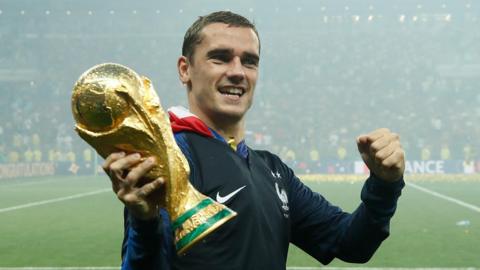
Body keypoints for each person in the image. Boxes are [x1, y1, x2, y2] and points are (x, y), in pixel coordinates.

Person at [102, 11, 405, 270]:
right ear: (185, 69)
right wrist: (146, 222)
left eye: (249, 61)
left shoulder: (272, 169)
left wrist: (385, 184)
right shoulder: (171, 157)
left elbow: (350, 242)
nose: (237, 72)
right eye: (220, 58)